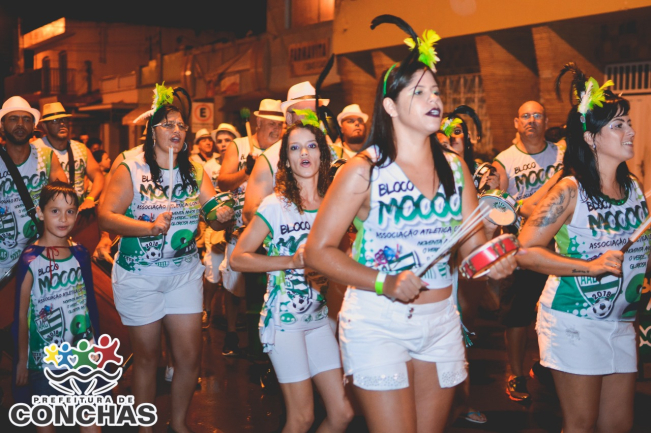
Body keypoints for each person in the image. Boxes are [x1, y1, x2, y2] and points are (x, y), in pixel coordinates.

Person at [304, 17, 517, 433]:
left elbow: (472, 248)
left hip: (441, 322)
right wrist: (384, 281)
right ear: (389, 106)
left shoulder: (455, 168)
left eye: (435, 90)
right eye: (418, 92)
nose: (433, 98)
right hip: (378, 321)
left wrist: (496, 258)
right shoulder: (364, 170)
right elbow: (317, 251)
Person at [517, 63, 646, 433]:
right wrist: (591, 266)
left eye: (629, 123)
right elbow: (525, 251)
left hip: (621, 320)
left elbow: (639, 253)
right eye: (618, 125)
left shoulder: (635, 188)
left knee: (618, 425)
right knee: (581, 424)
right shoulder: (569, 191)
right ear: (591, 138)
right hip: (574, 318)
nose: (630, 131)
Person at [98, 87, 233, 433]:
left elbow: (213, 212)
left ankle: (180, 425)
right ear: (152, 131)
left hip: (183, 274)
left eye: (182, 126)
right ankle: (145, 428)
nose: (177, 130)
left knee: (189, 357)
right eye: (169, 124)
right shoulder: (131, 167)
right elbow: (106, 216)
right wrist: (149, 228)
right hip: (139, 276)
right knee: (148, 359)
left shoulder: (194, 170)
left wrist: (222, 214)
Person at [231, 118, 353, 433]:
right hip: (283, 322)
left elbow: (342, 259)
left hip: (320, 320)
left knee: (342, 413)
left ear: (323, 154)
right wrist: (292, 261)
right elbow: (238, 258)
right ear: (286, 159)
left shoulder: (333, 206)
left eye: (311, 146)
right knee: (301, 418)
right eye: (295, 148)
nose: (304, 153)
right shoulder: (275, 206)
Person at [13, 181, 101, 432]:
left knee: (90, 419)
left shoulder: (81, 253)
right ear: (40, 213)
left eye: (70, 211)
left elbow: (90, 305)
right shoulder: (30, 259)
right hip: (44, 358)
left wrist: (98, 349)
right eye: (55, 211)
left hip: (83, 352)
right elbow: (21, 314)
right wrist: (22, 360)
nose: (63, 218)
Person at [491, 100, 564, 401]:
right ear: (516, 123)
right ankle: (516, 374)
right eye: (525, 116)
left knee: (557, 310)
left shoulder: (562, 154)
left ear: (546, 121)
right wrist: (522, 208)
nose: (531, 120)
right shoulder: (504, 160)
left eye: (537, 115)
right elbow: (496, 205)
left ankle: (552, 369)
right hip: (520, 246)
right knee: (517, 315)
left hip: (559, 246)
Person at [217, 99, 284, 355]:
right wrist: (247, 171)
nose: (276, 130)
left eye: (280, 125)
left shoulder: (283, 148)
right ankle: (232, 333)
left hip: (273, 227)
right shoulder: (240, 145)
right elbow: (223, 182)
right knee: (234, 284)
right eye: (271, 125)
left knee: (267, 285)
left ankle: (263, 341)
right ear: (258, 123)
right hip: (240, 226)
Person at [0, 96, 66, 284]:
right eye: (13, 119)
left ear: (33, 126)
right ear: (2, 126)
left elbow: (66, 200)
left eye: (26, 119)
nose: (20, 124)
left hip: (39, 254)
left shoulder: (46, 157)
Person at [201, 123, 239, 329]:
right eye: (220, 141)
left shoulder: (243, 164)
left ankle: (231, 318)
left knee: (233, 273)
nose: (223, 144)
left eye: (228, 140)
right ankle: (206, 309)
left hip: (237, 224)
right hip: (215, 224)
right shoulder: (209, 166)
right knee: (213, 270)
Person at [33, 102, 104, 211]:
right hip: (49, 212)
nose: (62, 124)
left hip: (78, 210)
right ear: (45, 126)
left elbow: (98, 176)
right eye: (55, 121)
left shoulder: (81, 148)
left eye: (64, 120)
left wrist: (90, 198)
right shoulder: (35, 149)